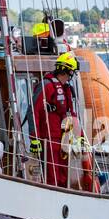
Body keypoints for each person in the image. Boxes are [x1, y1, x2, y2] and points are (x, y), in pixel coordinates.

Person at [30, 52, 78, 187]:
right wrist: (34, 138)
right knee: (52, 176)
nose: (72, 75)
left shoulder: (66, 88)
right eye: (72, 72)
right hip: (49, 138)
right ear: (67, 70)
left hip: (63, 139)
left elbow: (71, 113)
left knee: (63, 174)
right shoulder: (47, 85)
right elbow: (33, 111)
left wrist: (77, 136)